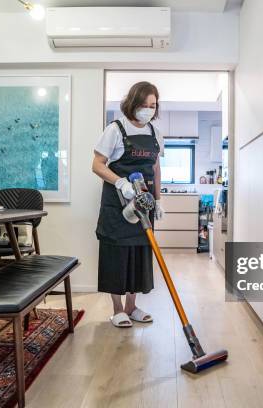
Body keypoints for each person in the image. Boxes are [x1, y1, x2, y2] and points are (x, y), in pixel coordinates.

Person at [92, 81, 165, 328]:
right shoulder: (115, 129)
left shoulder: (155, 133)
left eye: (152, 105)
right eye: (143, 105)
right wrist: (119, 182)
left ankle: (132, 307)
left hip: (143, 204)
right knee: (117, 254)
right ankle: (117, 310)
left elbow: (155, 168)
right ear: (132, 104)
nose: (148, 110)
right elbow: (97, 165)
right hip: (117, 204)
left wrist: (158, 199)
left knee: (138, 254)